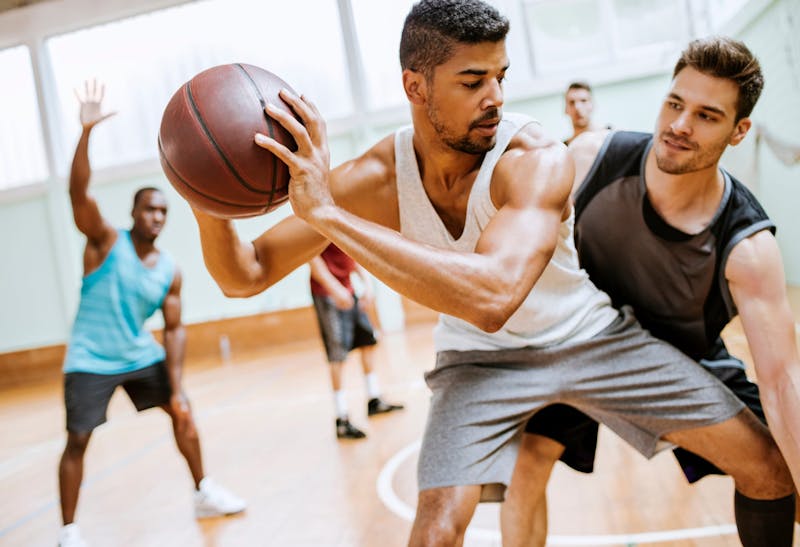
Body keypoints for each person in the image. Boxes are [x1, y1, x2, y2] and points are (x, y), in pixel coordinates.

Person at [188, 2, 794, 545]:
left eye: (500, 77)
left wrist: (326, 215)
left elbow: (494, 294)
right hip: (478, 362)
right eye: (473, 81)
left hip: (587, 338)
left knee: (769, 469)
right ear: (415, 87)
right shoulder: (374, 178)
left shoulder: (531, 158)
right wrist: (203, 193)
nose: (496, 98)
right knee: (437, 529)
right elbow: (245, 275)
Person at [512, 37, 800, 547]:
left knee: (776, 472)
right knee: (527, 464)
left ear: (740, 132)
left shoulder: (748, 245)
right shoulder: (588, 158)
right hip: (578, 341)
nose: (680, 125)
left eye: (707, 116)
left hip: (683, 356)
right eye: (675, 103)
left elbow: (781, 382)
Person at [58, 81, 245, 547]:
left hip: (139, 354)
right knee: (78, 441)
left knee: (183, 413)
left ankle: (203, 491)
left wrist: (177, 386)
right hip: (90, 357)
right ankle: (69, 531)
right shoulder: (105, 242)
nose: (156, 217)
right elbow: (78, 193)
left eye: (163, 211)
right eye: (148, 209)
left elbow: (175, 330)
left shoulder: (169, 271)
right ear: (134, 213)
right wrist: (86, 133)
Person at [309, 242, 404, 439]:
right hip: (327, 294)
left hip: (349, 289)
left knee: (368, 342)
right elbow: (312, 260)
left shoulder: (344, 215)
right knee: (337, 354)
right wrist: (334, 289)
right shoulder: (314, 222)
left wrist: (367, 285)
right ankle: (341, 418)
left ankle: (373, 400)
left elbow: (353, 252)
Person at [563, 81, 607, 145]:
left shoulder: (610, 137)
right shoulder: (563, 149)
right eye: (572, 102)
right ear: (565, 110)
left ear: (593, 105)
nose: (577, 107)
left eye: (583, 100)